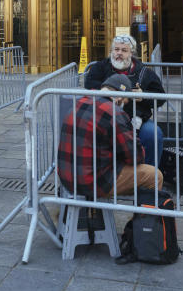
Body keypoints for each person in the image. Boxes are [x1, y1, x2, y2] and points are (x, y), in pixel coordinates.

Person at [58, 73, 163, 199]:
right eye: (125, 101)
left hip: (66, 178)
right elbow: (135, 157)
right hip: (91, 183)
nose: (124, 105)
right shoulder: (115, 112)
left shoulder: (79, 102)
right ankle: (144, 218)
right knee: (154, 176)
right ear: (119, 97)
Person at [83, 34, 165, 166]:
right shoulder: (100, 67)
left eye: (124, 50)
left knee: (153, 135)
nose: (119, 53)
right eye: (116, 49)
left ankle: (148, 179)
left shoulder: (144, 72)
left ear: (131, 53)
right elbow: (89, 84)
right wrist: (109, 92)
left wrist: (143, 96)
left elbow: (161, 97)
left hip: (135, 119)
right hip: (103, 119)